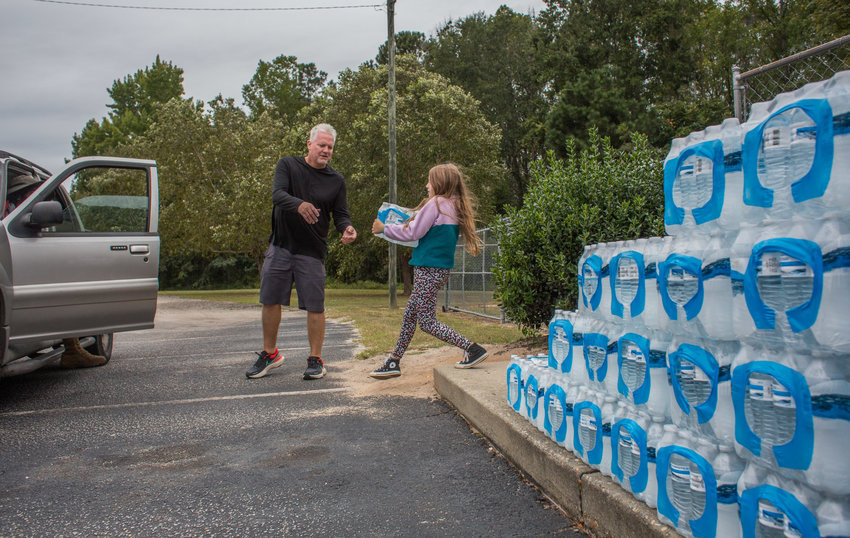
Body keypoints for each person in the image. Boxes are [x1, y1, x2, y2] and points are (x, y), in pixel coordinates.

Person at [246, 123, 357, 381]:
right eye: (321, 145)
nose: (326, 150)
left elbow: (340, 213)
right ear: (309, 144)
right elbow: (277, 195)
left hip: (312, 251)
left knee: (315, 306)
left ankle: (316, 360)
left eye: (330, 147)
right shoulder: (288, 165)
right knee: (270, 299)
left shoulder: (336, 181)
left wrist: (348, 228)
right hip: (281, 245)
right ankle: (269, 354)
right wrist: (299, 205)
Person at [369, 163, 488, 379]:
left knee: (426, 322)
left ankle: (472, 348)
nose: (427, 185)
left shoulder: (436, 203)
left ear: (439, 183)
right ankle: (394, 361)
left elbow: (413, 233)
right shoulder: (453, 205)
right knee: (410, 315)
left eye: (429, 181)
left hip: (427, 270)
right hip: (438, 271)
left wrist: (384, 228)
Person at [4, 173, 106, 368]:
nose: (38, 197)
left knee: (63, 289)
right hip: (16, 270)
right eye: (32, 192)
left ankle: (73, 349)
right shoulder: (10, 210)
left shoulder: (28, 211)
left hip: (30, 268)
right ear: (19, 194)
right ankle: (72, 350)